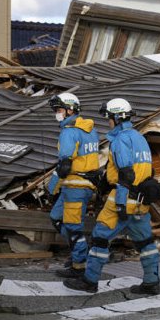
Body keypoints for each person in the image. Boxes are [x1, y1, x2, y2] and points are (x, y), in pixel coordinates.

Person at [64, 98, 160, 294]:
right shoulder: (139, 138)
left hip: (124, 198)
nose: (107, 122)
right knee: (145, 242)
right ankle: (152, 282)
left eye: (108, 118)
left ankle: (89, 281)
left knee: (100, 237)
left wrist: (121, 204)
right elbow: (145, 170)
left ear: (116, 118)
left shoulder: (120, 140)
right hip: (141, 201)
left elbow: (126, 174)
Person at [48, 92, 100, 279]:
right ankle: (80, 250)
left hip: (75, 186)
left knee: (72, 226)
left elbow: (64, 165)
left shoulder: (69, 132)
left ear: (71, 110)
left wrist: (51, 187)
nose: (57, 114)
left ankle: (79, 264)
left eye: (60, 110)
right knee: (56, 217)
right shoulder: (90, 130)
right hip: (82, 186)